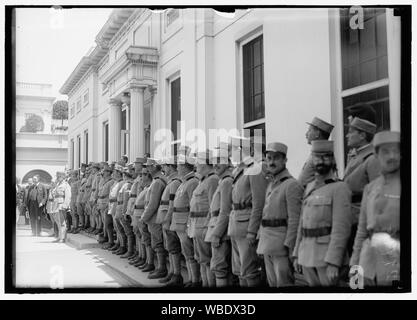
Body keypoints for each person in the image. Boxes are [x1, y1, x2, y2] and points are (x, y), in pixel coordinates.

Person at [293, 140, 352, 286]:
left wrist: (334, 262)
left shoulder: (340, 188)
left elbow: (341, 229)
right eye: (317, 157)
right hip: (307, 255)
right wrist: (296, 253)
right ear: (312, 160)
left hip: (326, 258)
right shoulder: (310, 187)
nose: (321, 161)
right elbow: (302, 223)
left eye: (326, 157)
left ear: (332, 160)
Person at [349, 131, 401, 286]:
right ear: (376, 155)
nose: (391, 156)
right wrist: (354, 264)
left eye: (395, 151)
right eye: (385, 151)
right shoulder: (370, 188)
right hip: (367, 259)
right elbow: (361, 230)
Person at [257, 142, 304, 287]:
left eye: (276, 158)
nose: (271, 162)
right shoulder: (272, 184)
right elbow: (266, 215)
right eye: (268, 158)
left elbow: (295, 220)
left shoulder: (291, 185)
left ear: (285, 160)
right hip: (267, 244)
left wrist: (290, 247)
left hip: (282, 246)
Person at [227, 135, 268, 287]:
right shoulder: (241, 170)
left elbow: (259, 202)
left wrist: (253, 230)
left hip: (247, 225)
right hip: (236, 224)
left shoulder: (257, 168)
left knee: (250, 270)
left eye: (233, 149)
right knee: (239, 270)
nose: (230, 153)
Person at [344, 117, 381, 256]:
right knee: (354, 261)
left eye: (350, 132)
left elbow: (376, 194)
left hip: (362, 220)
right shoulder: (357, 156)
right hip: (352, 219)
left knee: (360, 263)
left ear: (362, 135)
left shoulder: (372, 158)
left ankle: (357, 279)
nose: (347, 135)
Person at [188, 150, 219, 287]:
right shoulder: (204, 180)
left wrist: (211, 228)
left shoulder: (213, 180)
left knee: (207, 261)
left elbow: (214, 206)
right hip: (196, 226)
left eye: (198, 162)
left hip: (204, 227)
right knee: (201, 259)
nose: (196, 165)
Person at [170, 146, 200, 287]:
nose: (177, 168)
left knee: (190, 254)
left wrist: (189, 224)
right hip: (179, 222)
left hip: (185, 223)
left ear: (185, 167)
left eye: (179, 166)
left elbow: (192, 206)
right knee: (186, 253)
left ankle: (195, 281)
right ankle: (191, 279)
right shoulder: (184, 182)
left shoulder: (193, 182)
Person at [205, 144, 234, 287]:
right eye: (214, 161)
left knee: (219, 267)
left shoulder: (227, 181)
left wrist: (217, 234)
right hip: (216, 227)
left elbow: (225, 211)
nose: (216, 164)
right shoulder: (222, 180)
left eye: (219, 161)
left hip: (221, 231)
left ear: (227, 162)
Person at [156, 155, 182, 284]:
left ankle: (176, 274)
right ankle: (172, 272)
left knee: (173, 249)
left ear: (171, 167)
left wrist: (167, 220)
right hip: (167, 220)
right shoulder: (171, 181)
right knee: (170, 248)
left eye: (165, 166)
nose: (163, 169)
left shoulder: (175, 182)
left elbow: (172, 204)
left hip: (170, 220)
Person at [141, 158, 168, 279]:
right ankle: (160, 268)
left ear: (153, 167)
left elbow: (152, 204)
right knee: (156, 243)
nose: (147, 169)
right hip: (154, 217)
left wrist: (143, 217)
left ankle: (161, 268)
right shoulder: (157, 180)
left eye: (148, 167)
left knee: (158, 244)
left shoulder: (157, 182)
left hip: (155, 218)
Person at [298, 117, 334, 188]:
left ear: (317, 133)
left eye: (309, 130)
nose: (306, 134)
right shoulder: (317, 153)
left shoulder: (322, 154)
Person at [134, 167, 153, 270]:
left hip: (143, 216)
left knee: (146, 239)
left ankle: (149, 261)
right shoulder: (145, 189)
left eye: (143, 175)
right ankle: (142, 258)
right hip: (138, 215)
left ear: (148, 176)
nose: (141, 177)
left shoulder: (149, 188)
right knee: (142, 238)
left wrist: (143, 218)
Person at [50, 171, 71, 243]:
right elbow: (54, 194)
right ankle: (60, 237)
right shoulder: (57, 184)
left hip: (61, 204)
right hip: (56, 204)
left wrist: (65, 205)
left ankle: (62, 238)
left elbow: (68, 196)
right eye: (57, 176)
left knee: (62, 222)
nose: (58, 177)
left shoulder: (66, 185)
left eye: (59, 176)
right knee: (58, 222)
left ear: (63, 177)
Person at [97, 163, 115, 246]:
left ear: (108, 172)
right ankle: (105, 237)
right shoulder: (103, 181)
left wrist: (108, 205)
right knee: (104, 223)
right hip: (101, 202)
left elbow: (110, 194)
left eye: (105, 171)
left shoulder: (111, 181)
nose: (103, 172)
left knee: (108, 223)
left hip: (107, 203)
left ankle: (110, 240)